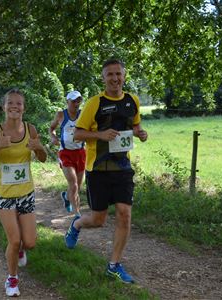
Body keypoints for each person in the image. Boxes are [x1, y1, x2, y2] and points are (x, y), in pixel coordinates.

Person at [64, 59, 148, 284]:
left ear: (124, 75)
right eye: (110, 74)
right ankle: (77, 224)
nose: (114, 78)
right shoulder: (94, 103)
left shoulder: (132, 100)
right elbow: (77, 134)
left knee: (124, 213)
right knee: (99, 220)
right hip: (98, 169)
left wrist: (140, 133)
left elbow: (135, 125)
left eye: (118, 74)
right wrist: (100, 135)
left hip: (123, 168)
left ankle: (114, 265)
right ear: (103, 78)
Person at [0, 88, 47, 297]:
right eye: (10, 103)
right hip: (4, 194)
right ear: (4, 106)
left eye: (18, 103)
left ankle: (19, 251)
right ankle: (12, 279)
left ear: (23, 108)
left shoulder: (31, 129)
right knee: (14, 239)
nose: (14, 106)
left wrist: (39, 148)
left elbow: (43, 158)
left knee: (30, 242)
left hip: (26, 192)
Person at [49, 90, 86, 216]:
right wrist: (53, 137)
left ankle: (66, 196)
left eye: (78, 101)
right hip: (65, 153)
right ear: (67, 102)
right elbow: (51, 128)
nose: (76, 104)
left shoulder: (83, 114)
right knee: (74, 184)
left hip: (80, 153)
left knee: (77, 187)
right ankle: (77, 215)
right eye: (73, 101)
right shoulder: (61, 115)